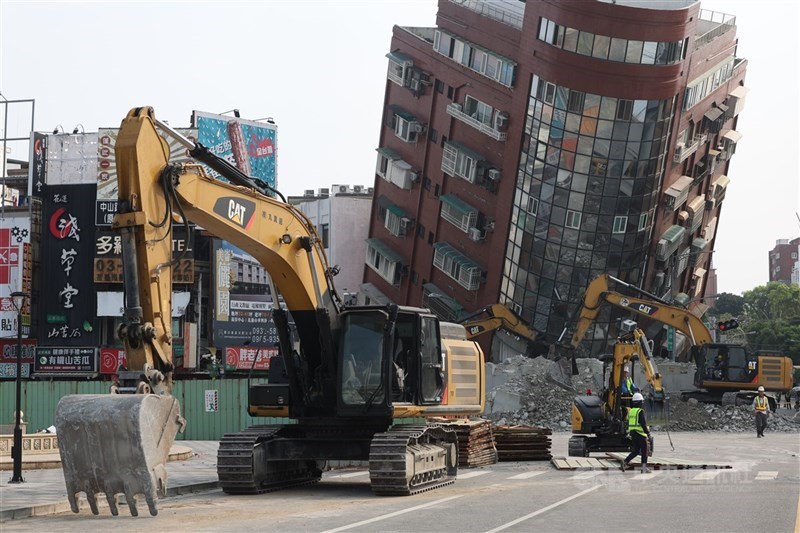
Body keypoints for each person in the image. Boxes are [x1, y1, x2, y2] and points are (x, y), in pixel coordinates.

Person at [621, 392, 651, 473]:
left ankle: (625, 462)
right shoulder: (640, 411)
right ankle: (644, 468)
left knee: (636, 451)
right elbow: (643, 424)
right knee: (645, 451)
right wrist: (648, 434)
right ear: (640, 402)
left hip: (633, 433)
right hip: (640, 434)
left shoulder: (631, 411)